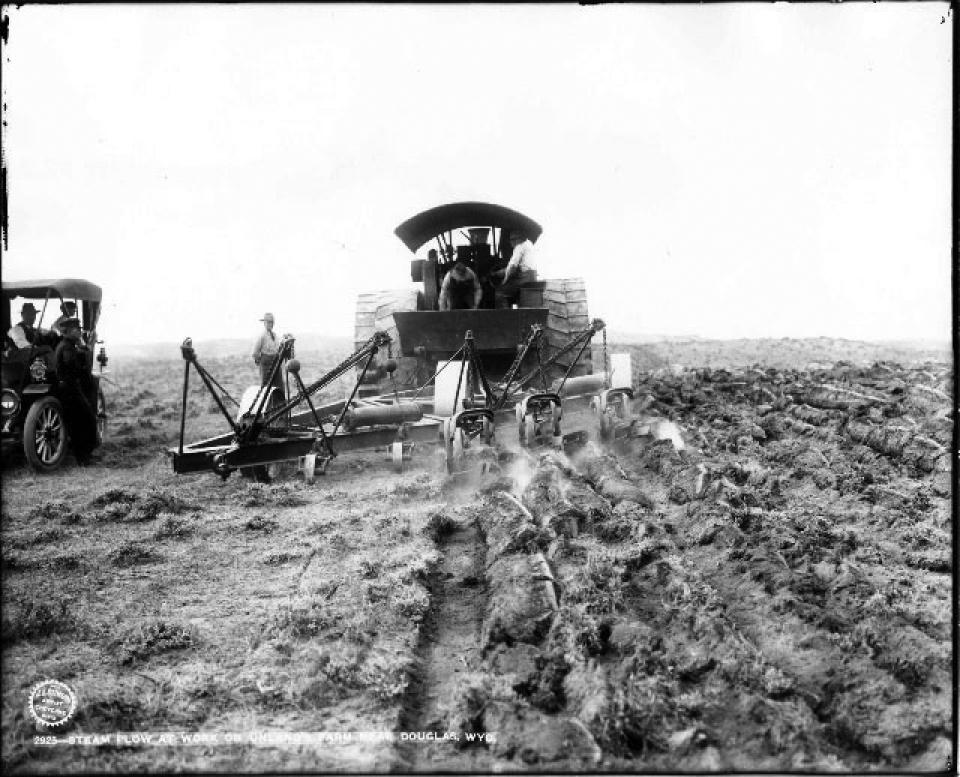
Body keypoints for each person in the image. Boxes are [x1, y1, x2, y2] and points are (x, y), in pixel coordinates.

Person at [54, 317, 98, 465]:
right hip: (70, 389)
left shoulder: (67, 345)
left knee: (80, 422)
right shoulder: (67, 347)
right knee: (85, 421)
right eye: (76, 329)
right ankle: (83, 458)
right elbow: (71, 366)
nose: (79, 331)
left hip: (68, 388)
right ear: (69, 331)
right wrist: (84, 367)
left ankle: (84, 456)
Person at [494, 228, 538, 308]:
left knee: (500, 293)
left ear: (518, 239)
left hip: (525, 278)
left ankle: (504, 318)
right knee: (513, 291)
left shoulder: (519, 247)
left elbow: (512, 267)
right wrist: (498, 273)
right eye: (511, 240)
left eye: (512, 239)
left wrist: (504, 280)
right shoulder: (529, 244)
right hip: (533, 277)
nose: (511, 242)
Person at [252, 312, 285, 397]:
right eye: (268, 322)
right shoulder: (261, 336)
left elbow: (278, 349)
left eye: (272, 322)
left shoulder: (275, 335)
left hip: (276, 363)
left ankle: (280, 405)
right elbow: (255, 352)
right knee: (266, 387)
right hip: (266, 364)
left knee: (279, 385)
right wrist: (261, 362)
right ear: (264, 323)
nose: (270, 324)